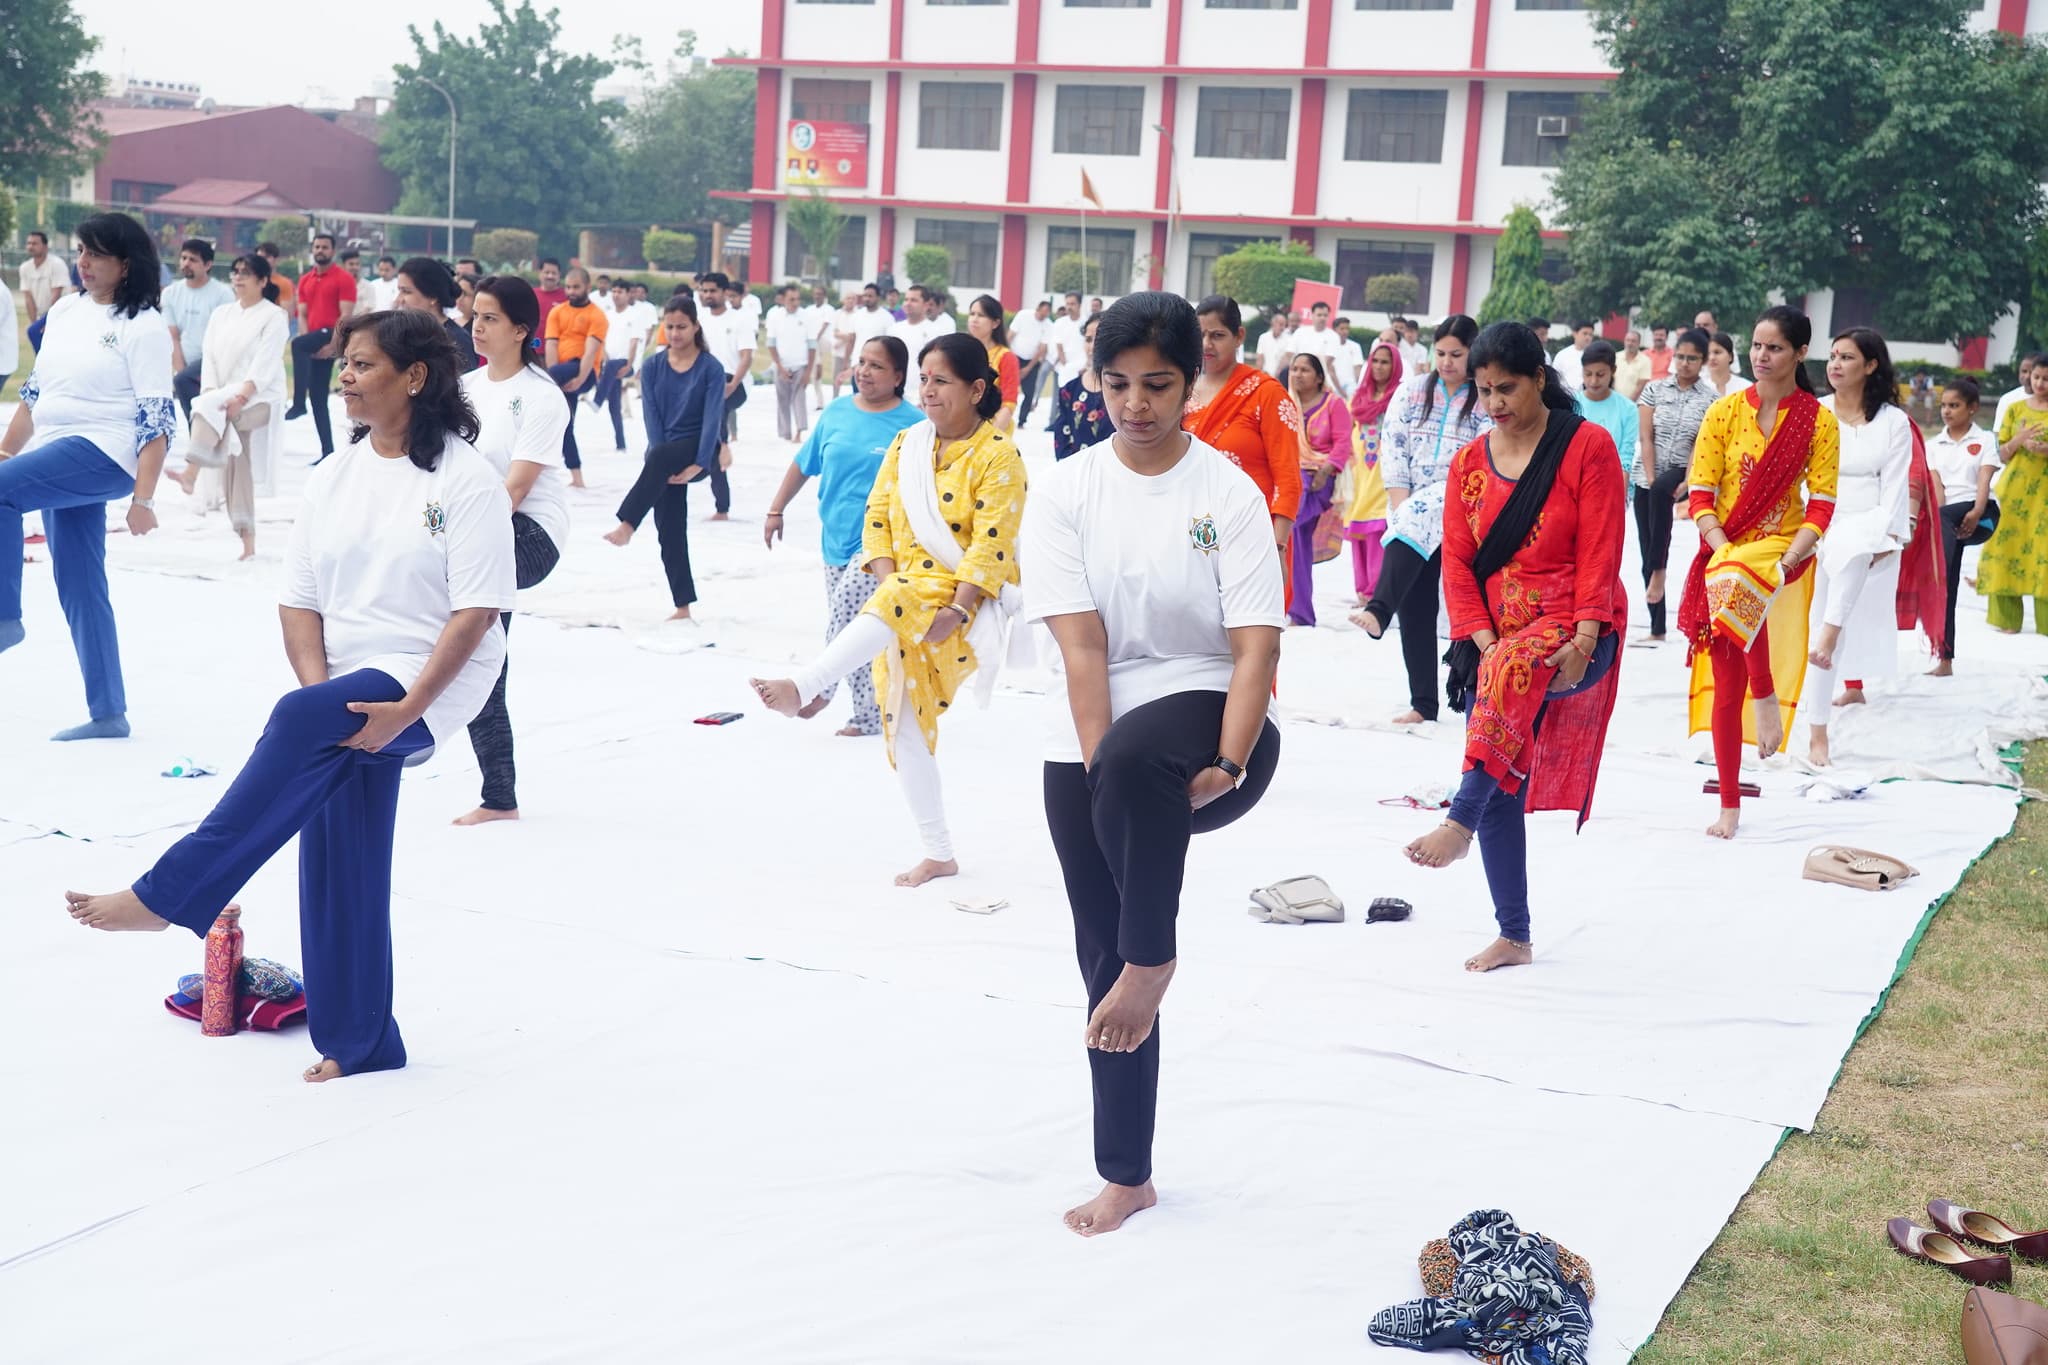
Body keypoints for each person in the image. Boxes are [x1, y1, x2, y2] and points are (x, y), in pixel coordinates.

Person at [65, 308, 515, 1084]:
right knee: (344, 847)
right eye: (345, 363)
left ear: (414, 378)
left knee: (306, 732)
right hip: (344, 676)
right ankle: (362, 1039)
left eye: (363, 364)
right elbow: (297, 600)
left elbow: (476, 612)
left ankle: (171, 893)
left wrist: (406, 710)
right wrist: (323, 700)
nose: (345, 375)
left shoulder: (466, 479)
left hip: (427, 673)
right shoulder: (335, 474)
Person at [1023, 291, 1284, 1238]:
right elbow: (1083, 652)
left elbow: (1257, 645)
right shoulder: (1062, 491)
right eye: (1118, 383)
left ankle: (1155, 955)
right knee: (1101, 964)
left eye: (1159, 385)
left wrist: (1229, 755)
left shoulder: (1228, 491)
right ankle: (1125, 1173)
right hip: (1100, 735)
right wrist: (1107, 786)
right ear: (1096, 380)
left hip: (1217, 714)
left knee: (1136, 772)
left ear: (1192, 382)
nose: (1136, 404)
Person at [748, 332, 1028, 887]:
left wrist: (959, 608)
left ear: (976, 389)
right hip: (899, 597)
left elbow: (992, 544)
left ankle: (808, 685)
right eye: (924, 378)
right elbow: (877, 517)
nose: (927, 390)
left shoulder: (999, 455)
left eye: (940, 380)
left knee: (902, 601)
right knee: (903, 722)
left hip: (958, 603)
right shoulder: (908, 445)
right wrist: (887, 582)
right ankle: (939, 852)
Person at [1402, 322, 1626, 973]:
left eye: (1506, 388)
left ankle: (1457, 821)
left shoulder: (1587, 447)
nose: (1494, 402)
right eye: (1483, 390)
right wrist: (1479, 637)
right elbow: (1457, 564)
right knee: (1500, 768)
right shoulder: (1470, 462)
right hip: (1493, 637)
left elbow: (1601, 550)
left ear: (1537, 381)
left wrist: (1586, 634)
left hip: (1575, 629)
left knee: (1504, 688)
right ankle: (1516, 935)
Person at [0, 214, 174, 741]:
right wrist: (7, 450)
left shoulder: (142, 325)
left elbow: (155, 420)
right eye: (80, 252)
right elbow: (36, 393)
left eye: (96, 254)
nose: (83, 263)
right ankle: (109, 713)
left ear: (127, 264)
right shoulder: (67, 310)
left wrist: (143, 499)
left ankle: (5, 618)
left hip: (105, 452)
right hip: (60, 451)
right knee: (80, 583)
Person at [1680, 305, 1838, 839]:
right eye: (1756, 346)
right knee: (1727, 684)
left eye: (1773, 348)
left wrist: (1794, 553)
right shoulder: (1724, 412)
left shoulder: (1819, 421)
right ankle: (1730, 803)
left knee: (1749, 574)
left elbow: (1822, 504)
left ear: (1799, 353)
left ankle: (1766, 695)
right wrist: (1720, 545)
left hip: (1783, 552)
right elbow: (1701, 493)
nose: (1761, 356)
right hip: (1725, 551)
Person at [454, 276, 572, 827]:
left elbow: (516, 490)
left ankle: (499, 796)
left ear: (522, 330)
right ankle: (499, 796)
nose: (477, 325)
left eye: (491, 318)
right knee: (478, 661)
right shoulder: (465, 388)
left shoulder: (543, 396)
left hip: (527, 534)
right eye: (475, 314)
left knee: (480, 660)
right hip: (476, 531)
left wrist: (449, 539)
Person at [763, 336, 922, 737]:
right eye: (861, 363)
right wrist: (775, 509)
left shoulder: (915, 425)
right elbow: (803, 465)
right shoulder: (835, 412)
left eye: (876, 366)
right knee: (853, 625)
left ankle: (817, 689)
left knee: (846, 615)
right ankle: (868, 715)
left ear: (898, 376)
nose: (864, 372)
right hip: (834, 536)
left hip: (882, 543)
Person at [1349, 315, 1491, 725]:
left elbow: (1485, 453)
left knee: (1471, 609)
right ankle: (1423, 703)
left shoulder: (1484, 399)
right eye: (1441, 353)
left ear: (1473, 353)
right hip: (1412, 507)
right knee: (1417, 604)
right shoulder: (1412, 392)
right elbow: (1394, 445)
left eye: (1457, 355)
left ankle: (1378, 610)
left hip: (1465, 501)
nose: (1447, 362)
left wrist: (1419, 508)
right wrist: (1401, 504)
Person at [1799, 329, 1914, 766]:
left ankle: (1818, 732)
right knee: (1838, 572)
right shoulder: (1815, 413)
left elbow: (1896, 487)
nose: (1834, 364)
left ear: (1870, 366)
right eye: (1832, 356)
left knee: (1852, 554)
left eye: (1846, 357)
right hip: (1819, 518)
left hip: (1870, 522)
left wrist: (1890, 534)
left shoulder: (1893, 422)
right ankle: (1817, 732)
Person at [603, 295, 725, 624]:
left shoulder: (711, 367)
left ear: (696, 326)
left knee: (660, 458)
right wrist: (659, 461)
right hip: (664, 455)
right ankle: (682, 605)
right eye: (669, 327)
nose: (675, 333)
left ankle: (628, 523)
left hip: (699, 449)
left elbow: (714, 418)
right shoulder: (654, 366)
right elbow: (651, 416)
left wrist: (699, 463)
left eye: (682, 327)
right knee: (670, 528)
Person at [173, 253, 288, 560]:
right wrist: (214, 395)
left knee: (226, 419)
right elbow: (209, 359)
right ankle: (247, 541)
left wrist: (241, 397)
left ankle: (192, 470)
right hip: (222, 398)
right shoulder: (222, 314)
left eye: (246, 273)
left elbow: (266, 362)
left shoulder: (273, 316)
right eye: (235, 272)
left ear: (263, 281)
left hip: (262, 396)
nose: (237, 277)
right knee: (237, 456)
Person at [1184, 296, 1303, 579]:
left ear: (1239, 336)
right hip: (1190, 535)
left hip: (1252, 535)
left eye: (1217, 335)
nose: (1206, 345)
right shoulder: (1181, 390)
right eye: (1199, 335)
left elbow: (1287, 476)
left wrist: (1278, 545)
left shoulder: (1267, 393)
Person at [1632, 328, 1717, 641]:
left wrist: (1687, 478)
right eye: (1680, 356)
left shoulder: (1711, 399)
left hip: (1682, 468)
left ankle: (1660, 571)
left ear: (1702, 361)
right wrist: (1652, 477)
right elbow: (1646, 436)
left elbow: (1701, 442)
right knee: (1645, 542)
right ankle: (1657, 627)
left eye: (1692, 358)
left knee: (1659, 508)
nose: (1684, 363)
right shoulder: (1654, 390)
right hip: (1648, 473)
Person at [1927, 379, 1999, 676]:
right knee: (1949, 588)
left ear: (1972, 409)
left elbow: (1984, 482)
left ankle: (1934, 572)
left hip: (1983, 516)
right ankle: (1945, 660)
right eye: (1944, 405)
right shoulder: (1933, 445)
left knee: (1942, 523)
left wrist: (1976, 510)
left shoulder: (1984, 441)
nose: (1946, 411)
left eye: (1954, 405)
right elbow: (1938, 491)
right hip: (1950, 522)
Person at [1982, 353, 2048, 634]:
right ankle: (2007, 619)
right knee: (2006, 548)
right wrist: (2020, 440)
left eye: (2046, 379)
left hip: (2043, 494)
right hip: (2015, 490)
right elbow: (2002, 454)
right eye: (2036, 377)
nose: (2041, 383)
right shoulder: (2014, 409)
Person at [1285, 352, 1353, 626]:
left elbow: (1343, 443)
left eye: (1304, 370)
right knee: (1294, 541)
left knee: (1295, 536)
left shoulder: (1333, 404)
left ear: (1319, 377)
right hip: (1292, 478)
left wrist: (1325, 471)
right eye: (1294, 369)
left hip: (1319, 481)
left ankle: (1300, 611)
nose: (1298, 374)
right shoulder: (1287, 403)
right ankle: (1295, 609)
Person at [285, 233, 358, 462]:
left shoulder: (343, 278)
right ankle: (327, 451)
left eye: (325, 247)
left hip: (330, 334)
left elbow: (346, 316)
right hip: (313, 338)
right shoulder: (305, 279)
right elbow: (303, 315)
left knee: (296, 344)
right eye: (317, 247)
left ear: (332, 251)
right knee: (318, 398)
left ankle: (298, 403)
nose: (320, 250)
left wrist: (334, 346)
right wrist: (308, 343)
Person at [1344, 337, 1403, 603]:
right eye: (1375, 361)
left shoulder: (1400, 397)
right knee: (1359, 533)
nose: (1379, 367)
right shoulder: (1360, 396)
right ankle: (1361, 590)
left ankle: (1375, 594)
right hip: (1359, 472)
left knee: (1378, 532)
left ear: (1395, 366)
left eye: (1385, 362)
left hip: (1386, 473)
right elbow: (1349, 430)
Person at [541, 266, 608, 486]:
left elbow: (591, 351)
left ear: (588, 287)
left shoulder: (596, 315)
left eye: (576, 287)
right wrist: (554, 383)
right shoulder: (557, 312)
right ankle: (577, 477)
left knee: (538, 382)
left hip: (584, 371)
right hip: (559, 374)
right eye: (568, 287)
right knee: (564, 424)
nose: (571, 291)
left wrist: (579, 379)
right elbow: (551, 345)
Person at [694, 271, 750, 519]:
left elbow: (747, 356)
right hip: (702, 383)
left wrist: (733, 383)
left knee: (716, 435)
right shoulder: (698, 319)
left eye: (712, 291)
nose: (708, 295)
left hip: (730, 383)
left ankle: (722, 506)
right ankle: (721, 446)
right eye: (704, 291)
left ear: (725, 293)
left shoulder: (739, 319)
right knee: (707, 438)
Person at [163, 238, 232, 420]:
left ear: (208, 265)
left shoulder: (223, 294)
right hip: (185, 364)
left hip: (214, 360)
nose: (186, 263)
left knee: (209, 414)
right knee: (194, 412)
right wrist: (181, 371)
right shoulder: (170, 293)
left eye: (193, 260)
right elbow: (173, 336)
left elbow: (224, 336)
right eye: (183, 258)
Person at [1573, 341, 1639, 486]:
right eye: (1588, 374)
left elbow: (1625, 457)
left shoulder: (1628, 409)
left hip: (1612, 482)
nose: (1593, 381)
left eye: (1600, 374)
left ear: (1613, 370)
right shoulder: (1571, 405)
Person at [1051, 313, 1115, 461]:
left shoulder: (1127, 391)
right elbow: (1061, 439)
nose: (1092, 346)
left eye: (1099, 339)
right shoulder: (1069, 390)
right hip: (1076, 476)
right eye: (1088, 339)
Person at [394, 256, 476, 369]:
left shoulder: (456, 340)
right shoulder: (399, 334)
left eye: (407, 292)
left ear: (432, 296)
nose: (399, 299)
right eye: (400, 291)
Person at [766, 283, 815, 443]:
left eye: (797, 299)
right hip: (781, 365)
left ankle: (799, 431)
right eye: (791, 299)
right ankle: (785, 433)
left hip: (801, 364)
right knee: (782, 400)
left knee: (799, 398)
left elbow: (812, 345)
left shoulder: (806, 316)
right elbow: (771, 344)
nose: (795, 302)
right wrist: (779, 367)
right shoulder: (775, 316)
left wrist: (808, 371)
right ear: (783, 299)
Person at [966, 293, 1020, 434]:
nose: (974, 319)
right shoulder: (960, 352)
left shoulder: (1006, 357)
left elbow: (1009, 402)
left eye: (981, 315)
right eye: (972, 314)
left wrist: (989, 435)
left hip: (993, 429)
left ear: (995, 323)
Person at [19, 230, 70, 354]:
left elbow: (56, 295)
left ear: (45, 247)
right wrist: (35, 323)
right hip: (41, 316)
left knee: (56, 350)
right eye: (29, 243)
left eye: (35, 243)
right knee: (34, 333)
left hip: (61, 313)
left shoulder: (56, 264)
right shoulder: (25, 267)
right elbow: (28, 299)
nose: (31, 246)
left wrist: (48, 321)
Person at [1012, 298, 1052, 429]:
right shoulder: (1023, 315)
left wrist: (1028, 368)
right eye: (1043, 312)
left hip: (1032, 362)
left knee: (1029, 393)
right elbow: (1011, 334)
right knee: (1006, 389)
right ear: (1038, 308)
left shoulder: (1048, 325)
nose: (1044, 315)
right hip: (1014, 356)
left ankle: (1022, 420)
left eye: (1047, 313)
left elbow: (1042, 348)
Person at [1993, 353, 2044, 436]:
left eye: (2031, 372)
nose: (2027, 376)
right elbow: (1998, 434)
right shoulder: (2007, 399)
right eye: (2024, 371)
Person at [1048, 292, 1087, 399]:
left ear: (1079, 305)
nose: (1069, 307)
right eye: (1067, 304)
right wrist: (1066, 367)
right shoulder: (1060, 323)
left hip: (1083, 370)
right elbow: (1059, 347)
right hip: (1063, 369)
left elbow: (1091, 347)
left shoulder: (1086, 322)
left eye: (1072, 304)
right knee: (1059, 403)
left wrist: (1086, 366)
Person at [1550, 320, 1596, 393]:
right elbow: (1554, 379)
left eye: (1590, 335)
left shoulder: (1596, 356)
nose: (1588, 337)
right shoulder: (1562, 355)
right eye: (1585, 333)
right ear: (1575, 334)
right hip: (1566, 399)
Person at [1707, 331, 1752, 398]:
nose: (1712, 358)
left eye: (1717, 352)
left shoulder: (1746, 388)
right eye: (1708, 353)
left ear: (1730, 356)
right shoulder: (1698, 390)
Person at [532, 259, 567, 340]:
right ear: (540, 273)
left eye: (554, 273)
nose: (550, 276)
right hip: (534, 347)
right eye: (547, 272)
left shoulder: (567, 297)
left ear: (559, 275)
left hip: (558, 347)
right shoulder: (531, 295)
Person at [1614, 329, 1653, 401]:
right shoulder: (1616, 357)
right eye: (1627, 340)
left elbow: (1641, 385)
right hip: (1614, 400)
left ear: (1639, 343)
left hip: (1634, 403)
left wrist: (1628, 403)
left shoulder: (1645, 361)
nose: (1630, 343)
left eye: (1633, 341)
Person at [1255, 310, 1294, 380]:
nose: (1283, 328)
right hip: (1265, 374)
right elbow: (1260, 357)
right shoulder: (1263, 337)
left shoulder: (1289, 339)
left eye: (1285, 325)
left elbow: (1286, 358)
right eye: (1281, 324)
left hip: (1281, 376)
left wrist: (1277, 374)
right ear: (1273, 324)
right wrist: (1259, 374)